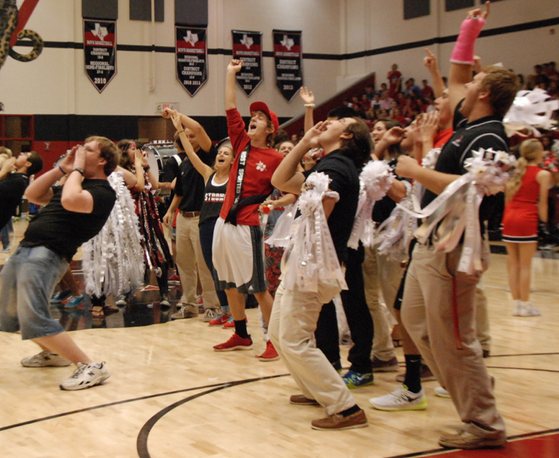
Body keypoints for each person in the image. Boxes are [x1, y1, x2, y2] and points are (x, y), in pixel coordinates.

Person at [394, 3, 515, 449]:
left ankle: (485, 422)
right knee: (418, 322)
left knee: (454, 337)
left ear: (483, 94)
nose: (462, 86)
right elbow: (459, 71)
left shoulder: (489, 135)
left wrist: (414, 170)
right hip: (433, 239)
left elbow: (470, 186)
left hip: (453, 243)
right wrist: (470, 27)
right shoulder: (469, 123)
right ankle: (470, 382)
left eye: (473, 83)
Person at [269, 116, 371, 430]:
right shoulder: (329, 164)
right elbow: (280, 180)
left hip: (312, 265)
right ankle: (317, 389)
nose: (330, 122)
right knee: (278, 333)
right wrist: (303, 142)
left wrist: (304, 261)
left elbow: (319, 216)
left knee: (295, 339)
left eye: (340, 121)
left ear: (348, 134)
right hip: (304, 261)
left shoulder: (337, 168)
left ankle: (345, 407)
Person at [0, 137, 118, 390]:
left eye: (88, 149)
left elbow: (69, 201)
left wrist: (75, 170)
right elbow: (32, 193)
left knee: (33, 315)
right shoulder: (73, 183)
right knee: (9, 311)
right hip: (27, 250)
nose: (79, 151)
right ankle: (52, 353)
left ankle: (90, 366)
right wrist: (63, 169)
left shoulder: (102, 192)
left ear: (102, 160)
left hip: (48, 254)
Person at [211, 59, 284, 360]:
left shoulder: (277, 158)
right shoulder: (240, 142)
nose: (253, 119)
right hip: (223, 221)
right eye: (252, 115)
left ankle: (274, 340)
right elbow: (230, 105)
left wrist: (275, 203)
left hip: (248, 225)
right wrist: (230, 73)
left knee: (257, 286)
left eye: (260, 117)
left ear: (270, 129)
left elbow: (291, 190)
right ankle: (241, 333)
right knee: (228, 280)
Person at [163, 110, 232, 325]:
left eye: (193, 135)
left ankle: (212, 306)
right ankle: (189, 305)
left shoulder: (209, 158)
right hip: (183, 217)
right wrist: (171, 210)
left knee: (205, 265)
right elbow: (180, 192)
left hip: (202, 218)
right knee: (183, 263)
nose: (191, 137)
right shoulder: (184, 162)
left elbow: (200, 129)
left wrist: (179, 119)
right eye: (187, 136)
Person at [502, 138, 550, 316]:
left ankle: (516, 305)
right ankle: (525, 305)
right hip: (527, 218)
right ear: (538, 153)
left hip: (509, 217)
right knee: (525, 266)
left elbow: (507, 199)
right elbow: (542, 203)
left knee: (513, 264)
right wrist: (545, 223)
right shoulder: (542, 174)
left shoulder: (514, 173)